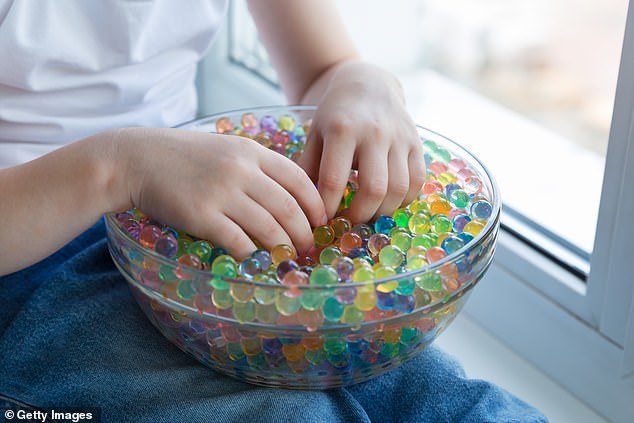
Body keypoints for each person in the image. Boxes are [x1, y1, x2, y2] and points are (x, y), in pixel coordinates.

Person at [0, 1, 547, 422]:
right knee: (291, 412)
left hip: (185, 210)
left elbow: (323, 66)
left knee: (445, 401)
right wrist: (119, 168)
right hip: (24, 263)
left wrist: (361, 81)